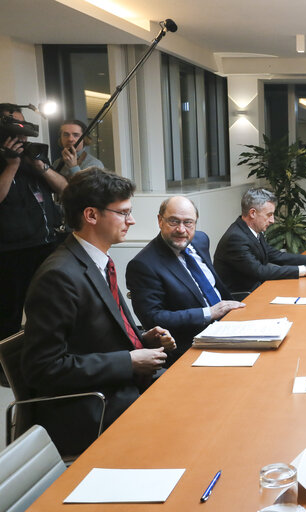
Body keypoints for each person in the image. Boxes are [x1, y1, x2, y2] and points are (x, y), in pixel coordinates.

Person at [21, 168, 175, 455]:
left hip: (118, 387)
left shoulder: (96, 262)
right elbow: (42, 369)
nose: (132, 220)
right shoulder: (59, 276)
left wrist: (143, 337)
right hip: (92, 405)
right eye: (123, 212)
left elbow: (99, 333)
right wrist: (128, 361)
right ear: (91, 215)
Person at [126, 196, 245, 367]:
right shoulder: (143, 265)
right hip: (192, 345)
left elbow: (212, 286)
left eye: (188, 223)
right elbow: (153, 318)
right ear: (160, 221)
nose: (181, 229)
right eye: (174, 221)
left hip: (230, 326)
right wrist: (209, 312)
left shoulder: (200, 240)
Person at [0, 103, 68, 342]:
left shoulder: (34, 155)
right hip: (10, 252)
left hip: (46, 245)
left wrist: (41, 166)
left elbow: (67, 190)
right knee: (8, 314)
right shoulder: (6, 161)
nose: (20, 131)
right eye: (13, 124)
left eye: (22, 124)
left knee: (50, 307)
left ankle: (49, 356)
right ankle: (6, 370)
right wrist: (11, 165)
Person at [214, 188, 306, 294]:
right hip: (243, 298)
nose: (272, 221)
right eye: (269, 215)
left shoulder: (250, 230)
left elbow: (275, 255)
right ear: (252, 213)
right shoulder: (236, 238)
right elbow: (260, 271)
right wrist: (305, 270)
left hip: (258, 290)